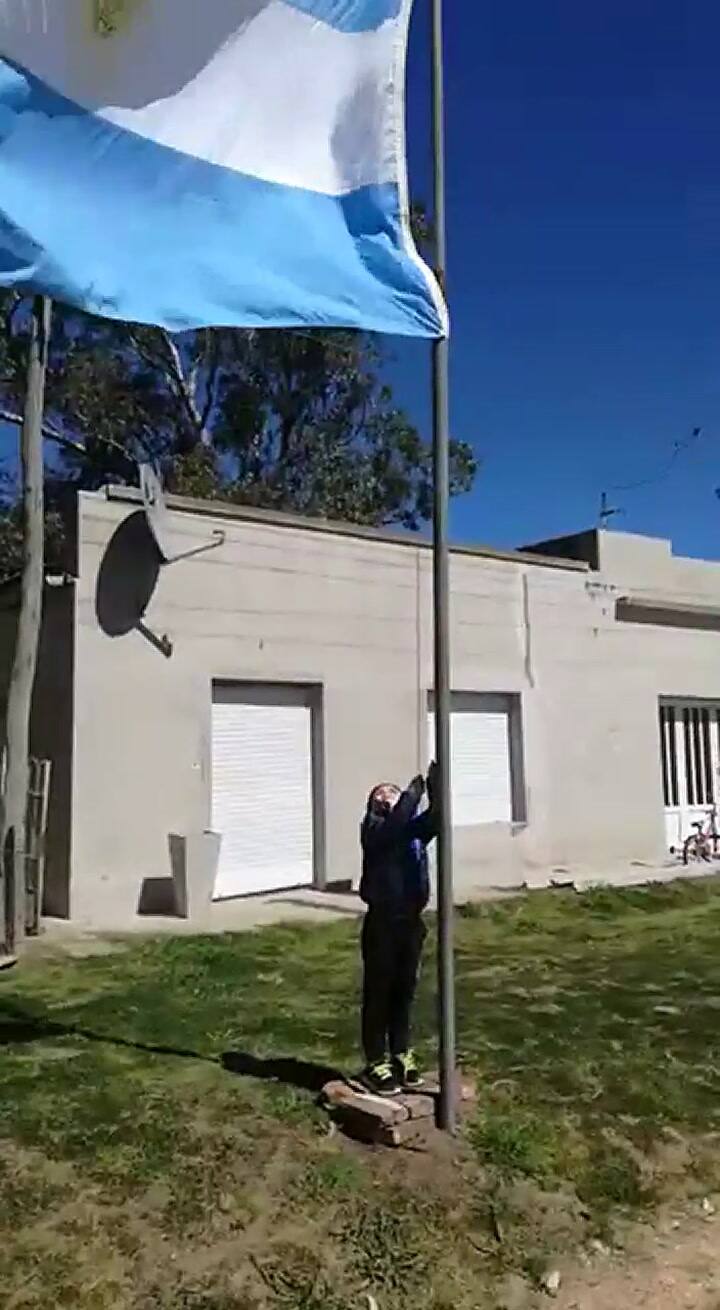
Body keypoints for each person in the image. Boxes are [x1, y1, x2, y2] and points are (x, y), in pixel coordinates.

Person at [358, 763, 439, 1096]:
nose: (387, 795)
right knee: (379, 993)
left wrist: (435, 788)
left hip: (410, 922)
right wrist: (409, 794)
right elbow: (395, 824)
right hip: (382, 923)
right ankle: (376, 1060)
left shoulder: (412, 832)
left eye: (391, 790)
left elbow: (435, 819)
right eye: (381, 793)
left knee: (404, 992)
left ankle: (401, 1052)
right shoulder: (375, 830)